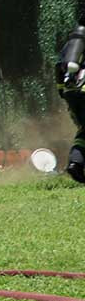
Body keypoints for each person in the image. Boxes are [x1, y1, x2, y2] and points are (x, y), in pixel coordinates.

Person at [55, 25, 85, 183]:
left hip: (72, 93)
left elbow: (59, 68)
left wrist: (62, 91)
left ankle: (76, 163)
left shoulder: (73, 44)